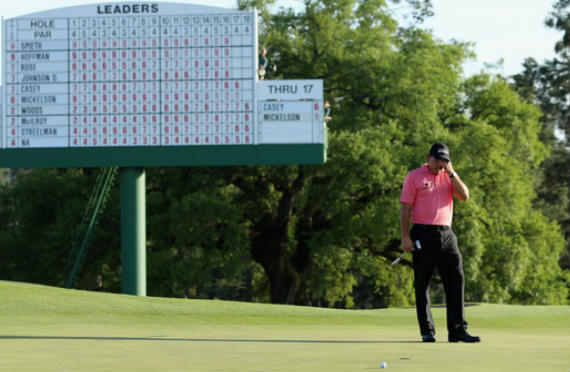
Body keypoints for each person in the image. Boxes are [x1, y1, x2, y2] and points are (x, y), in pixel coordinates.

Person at [399, 143, 480, 343]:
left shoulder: (449, 176)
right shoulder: (414, 176)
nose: (440, 165)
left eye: (444, 161)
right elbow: (405, 208)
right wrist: (405, 237)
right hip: (422, 232)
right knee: (422, 282)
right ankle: (427, 330)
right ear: (429, 157)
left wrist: (451, 172)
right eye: (437, 160)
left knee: (456, 279)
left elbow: (465, 196)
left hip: (447, 233)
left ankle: (457, 331)